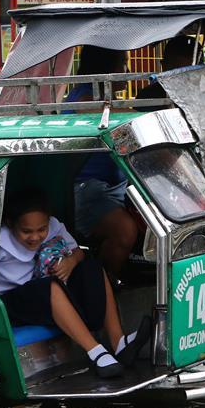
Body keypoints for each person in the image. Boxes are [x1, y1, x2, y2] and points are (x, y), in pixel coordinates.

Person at [0, 190, 151, 378]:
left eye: (41, 230)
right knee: (49, 287)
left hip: (45, 293)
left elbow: (78, 251)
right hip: (11, 301)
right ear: (11, 224)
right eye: (26, 231)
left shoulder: (53, 226)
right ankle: (96, 352)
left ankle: (119, 342)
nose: (35, 237)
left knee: (92, 267)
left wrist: (71, 261)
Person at [65, 46, 139, 279]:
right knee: (124, 231)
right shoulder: (83, 97)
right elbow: (112, 118)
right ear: (106, 68)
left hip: (117, 186)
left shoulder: (107, 99)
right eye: (122, 64)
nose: (127, 71)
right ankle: (105, 284)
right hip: (87, 189)